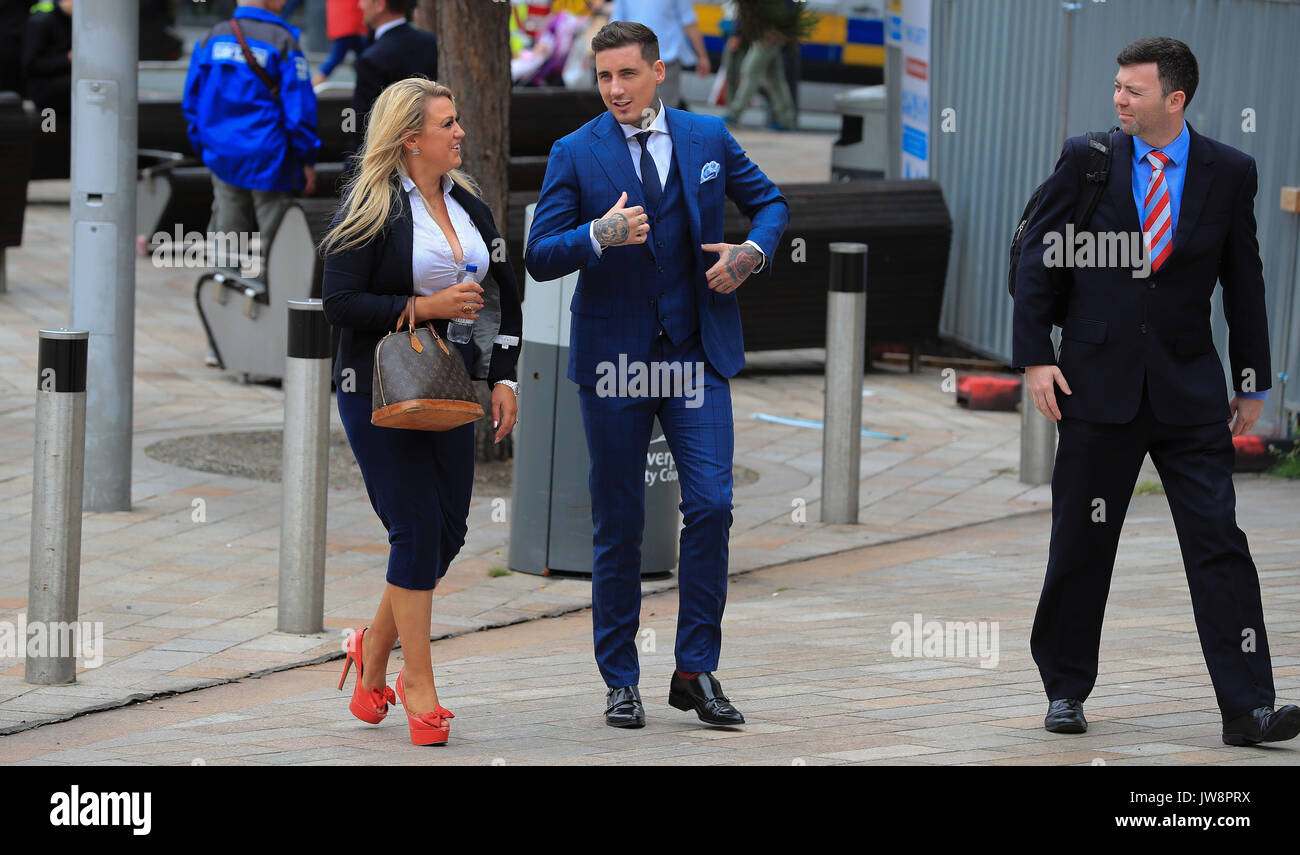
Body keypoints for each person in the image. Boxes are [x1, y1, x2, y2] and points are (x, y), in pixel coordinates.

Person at [1013, 36, 1298, 746]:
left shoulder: (1229, 171)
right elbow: (1038, 257)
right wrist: (1035, 359)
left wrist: (1252, 379)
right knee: (1081, 542)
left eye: (1133, 91)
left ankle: (1249, 707)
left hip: (1189, 392)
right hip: (1095, 385)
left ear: (1175, 98)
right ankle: (1066, 689)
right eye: (1116, 87)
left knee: (1219, 543)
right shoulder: (1089, 160)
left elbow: (1245, 281)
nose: (1119, 100)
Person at [525, 21, 787, 730]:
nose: (614, 89)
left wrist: (752, 254)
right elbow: (539, 254)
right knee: (620, 520)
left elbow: (772, 204)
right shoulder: (574, 152)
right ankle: (620, 678)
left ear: (658, 72)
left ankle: (695, 668)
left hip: (696, 351)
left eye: (627, 75)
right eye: (603, 76)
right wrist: (596, 236)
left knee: (711, 504)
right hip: (613, 358)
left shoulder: (707, 138)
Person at [321, 77, 522, 746]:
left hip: (450, 385)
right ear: (411, 139)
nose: (460, 132)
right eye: (447, 123)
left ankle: (371, 652)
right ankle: (419, 683)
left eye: (458, 119)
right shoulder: (371, 208)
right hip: (375, 388)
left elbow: (503, 295)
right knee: (413, 529)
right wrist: (426, 308)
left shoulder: (470, 206)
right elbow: (340, 302)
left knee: (449, 532)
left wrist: (503, 376)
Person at [182, 0, 320, 278]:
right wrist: (305, 159)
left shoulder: (211, 37)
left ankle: (224, 298)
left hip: (223, 156)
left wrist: (208, 148)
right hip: (270, 157)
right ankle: (273, 304)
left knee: (227, 240)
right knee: (275, 242)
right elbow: (300, 110)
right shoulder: (282, 41)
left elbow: (192, 102)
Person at [353, 0, 437, 136]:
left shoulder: (371, 59)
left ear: (380, 5)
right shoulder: (432, 43)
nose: (360, 5)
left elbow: (362, 124)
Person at [607, 0, 709, 111]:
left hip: (634, 57)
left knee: (635, 109)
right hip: (666, 58)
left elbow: (616, 22)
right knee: (663, 111)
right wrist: (702, 56)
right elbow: (689, 21)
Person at [723, 0, 797, 131]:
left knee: (750, 71)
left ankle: (733, 114)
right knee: (775, 79)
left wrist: (737, 34)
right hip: (770, 34)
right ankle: (787, 120)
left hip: (767, 34)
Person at [312, 0, 368, 87]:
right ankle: (314, 84)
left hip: (348, 21)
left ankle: (366, 83)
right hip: (349, 21)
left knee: (363, 58)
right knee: (338, 57)